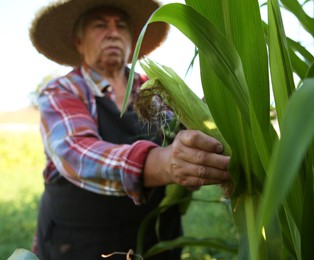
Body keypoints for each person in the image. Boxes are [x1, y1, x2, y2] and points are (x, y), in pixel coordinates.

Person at [29, 0, 231, 259]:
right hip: (80, 242)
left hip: (156, 240)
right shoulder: (62, 91)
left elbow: (182, 128)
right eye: (100, 26)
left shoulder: (154, 88)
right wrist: (164, 163)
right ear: (79, 42)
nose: (113, 33)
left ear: (132, 40)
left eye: (121, 26)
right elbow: (76, 152)